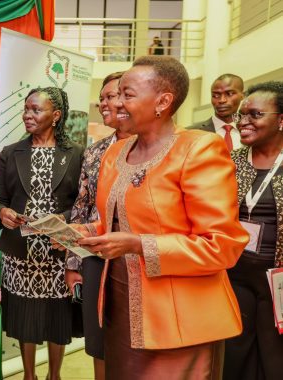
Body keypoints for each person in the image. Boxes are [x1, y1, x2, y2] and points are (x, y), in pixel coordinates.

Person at [76, 56, 249, 379]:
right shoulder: (116, 152)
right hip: (120, 310)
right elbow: (115, 221)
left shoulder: (198, 150)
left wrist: (140, 245)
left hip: (179, 321)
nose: (116, 103)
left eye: (127, 94)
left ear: (163, 101)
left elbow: (223, 245)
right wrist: (79, 232)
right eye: (115, 95)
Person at [0, 87, 84, 380]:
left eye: (36, 110)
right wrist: (2, 214)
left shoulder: (76, 154)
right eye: (26, 109)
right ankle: (29, 375)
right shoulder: (11, 153)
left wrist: (63, 219)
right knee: (25, 319)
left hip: (58, 254)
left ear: (55, 116)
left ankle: (54, 375)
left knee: (57, 319)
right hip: (22, 254)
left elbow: (84, 204)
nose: (27, 115)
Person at [64, 71, 130, 380]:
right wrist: (73, 262)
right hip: (94, 258)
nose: (103, 104)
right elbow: (82, 207)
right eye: (101, 98)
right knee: (99, 342)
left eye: (111, 96)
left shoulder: (163, 149)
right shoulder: (93, 151)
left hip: (138, 260)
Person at [224, 81, 283, 380]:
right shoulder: (229, 162)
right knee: (233, 356)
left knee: (275, 359)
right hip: (234, 275)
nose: (243, 122)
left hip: (279, 281)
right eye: (241, 115)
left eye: (255, 114)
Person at [189, 73, 245, 151]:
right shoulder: (192, 133)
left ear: (243, 95)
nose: (222, 100)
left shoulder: (253, 131)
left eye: (230, 94)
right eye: (216, 95)